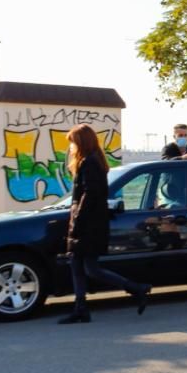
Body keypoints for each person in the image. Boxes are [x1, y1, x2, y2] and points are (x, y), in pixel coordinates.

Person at [59, 124, 151, 324]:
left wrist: (77, 221)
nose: (71, 147)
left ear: (82, 142)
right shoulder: (92, 161)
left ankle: (137, 289)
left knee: (90, 268)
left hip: (88, 225)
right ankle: (81, 307)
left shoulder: (89, 163)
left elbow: (89, 195)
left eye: (73, 142)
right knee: (77, 264)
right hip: (90, 223)